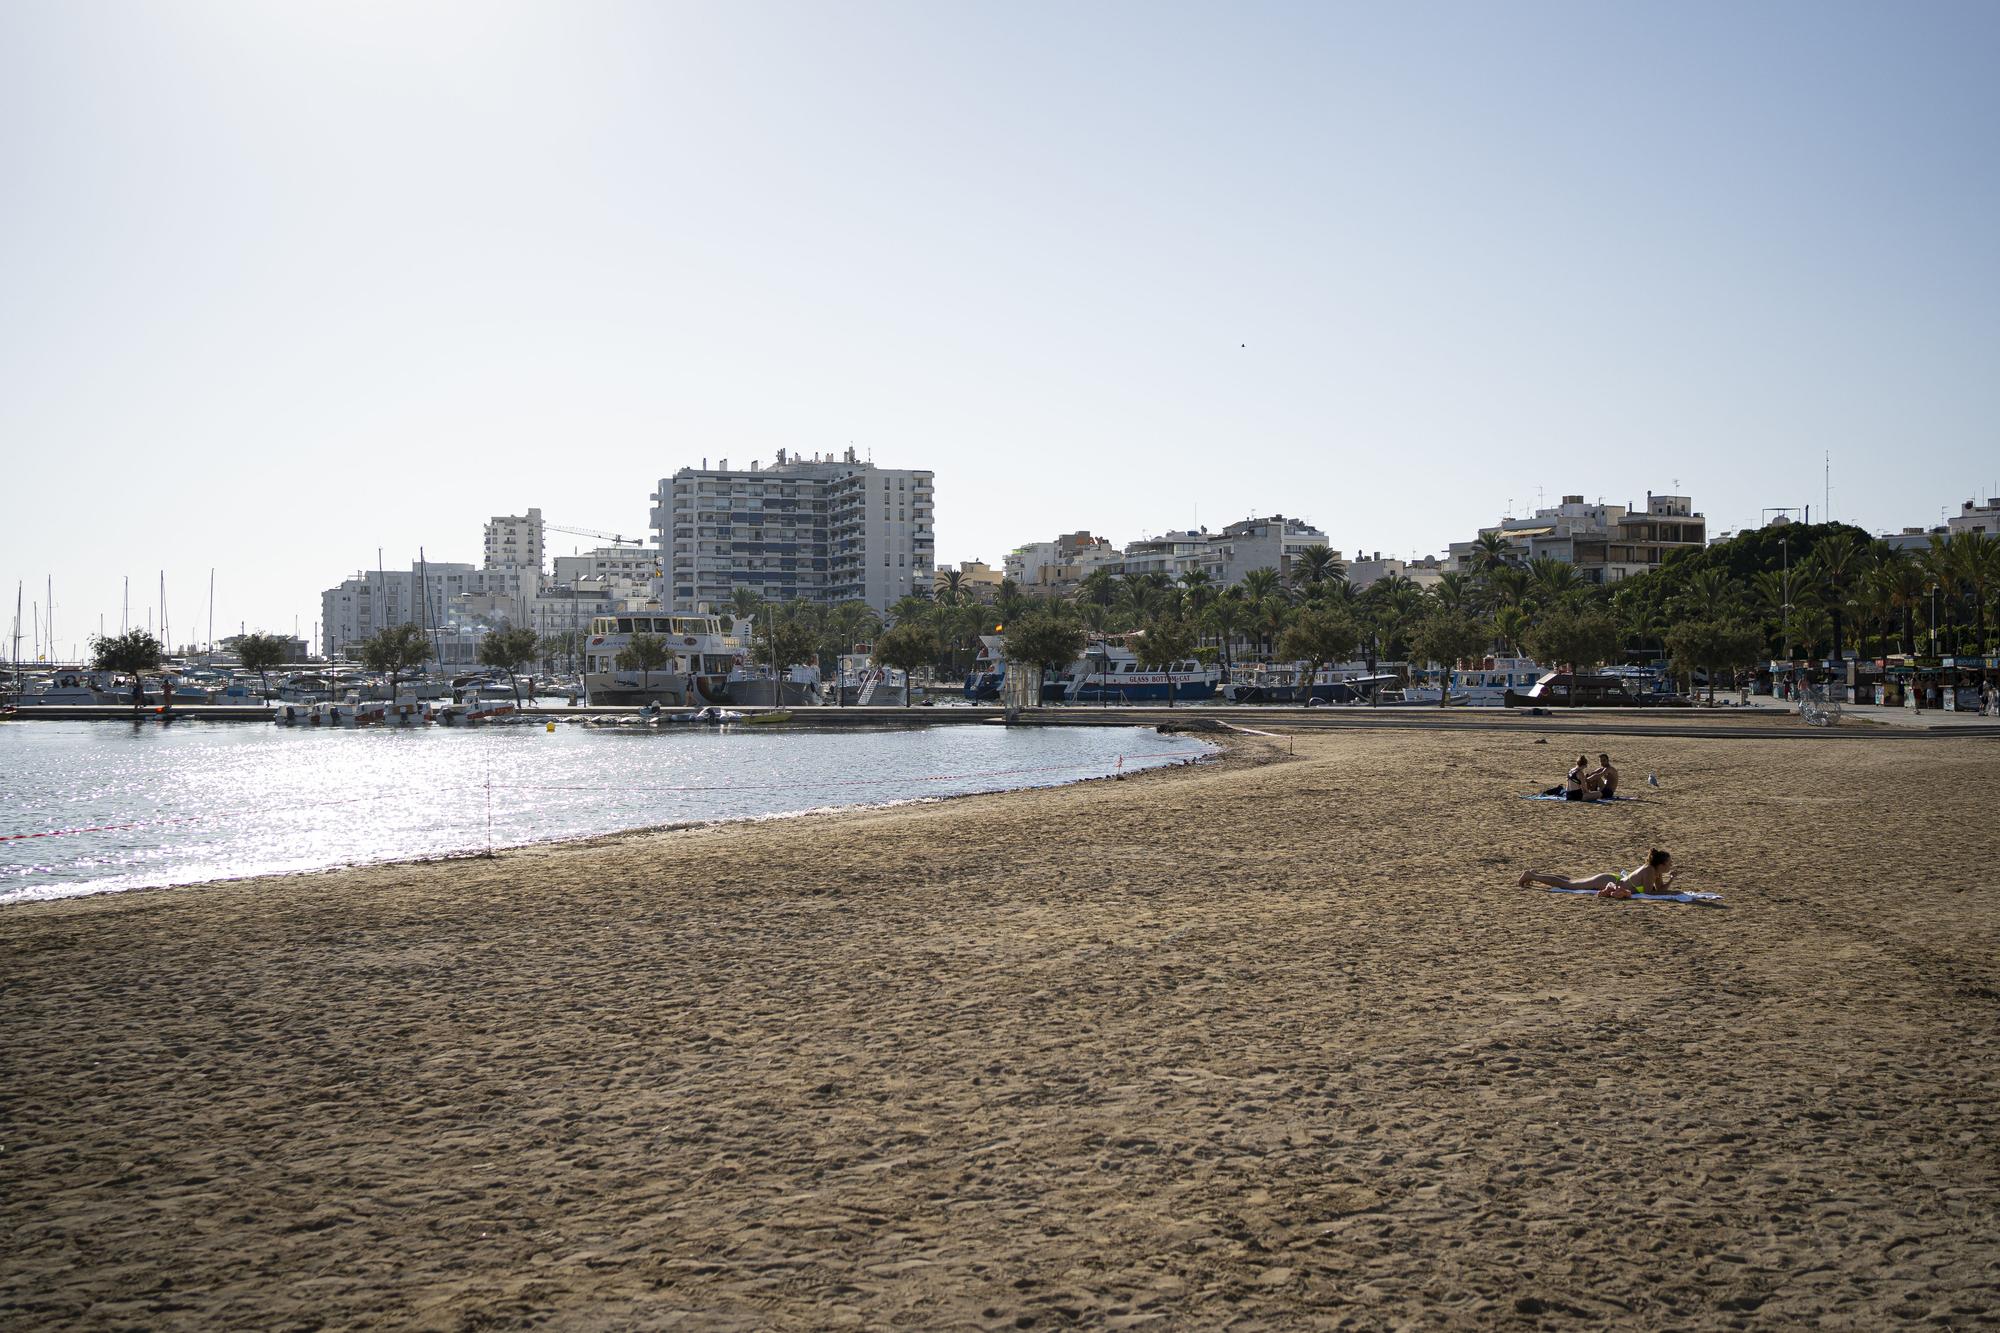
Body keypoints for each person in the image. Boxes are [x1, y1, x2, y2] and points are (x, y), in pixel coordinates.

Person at [1519, 849, 1676, 899]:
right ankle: (1531, 876)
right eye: (1669, 863)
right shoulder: (1649, 870)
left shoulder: (1656, 870)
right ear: (1661, 864)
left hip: (1613, 879)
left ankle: (1536, 874)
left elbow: (1660, 888)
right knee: (1569, 885)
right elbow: (1650, 893)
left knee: (1571, 881)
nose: (1670, 865)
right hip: (1607, 881)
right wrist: (1670, 888)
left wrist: (1671, 880)